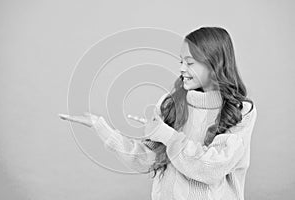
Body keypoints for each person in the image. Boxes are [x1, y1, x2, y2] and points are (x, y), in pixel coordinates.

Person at [59, 26, 257, 200]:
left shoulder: (241, 111)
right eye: (181, 61)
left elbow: (211, 168)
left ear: (214, 64)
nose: (181, 69)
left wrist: (166, 135)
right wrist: (100, 127)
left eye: (190, 62)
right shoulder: (170, 103)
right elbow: (146, 159)